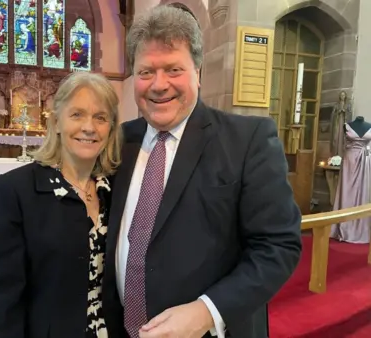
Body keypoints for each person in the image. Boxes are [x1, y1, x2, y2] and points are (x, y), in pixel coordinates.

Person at [102, 5, 302, 338]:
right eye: (146, 72)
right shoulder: (120, 141)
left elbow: (278, 246)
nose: (158, 84)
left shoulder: (248, 140)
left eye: (173, 69)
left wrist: (208, 311)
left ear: (198, 71)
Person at [0, 71, 122, 338]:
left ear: (110, 129)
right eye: (77, 114)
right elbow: (2, 295)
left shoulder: (115, 188)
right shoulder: (15, 190)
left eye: (100, 117)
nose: (89, 127)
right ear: (56, 122)